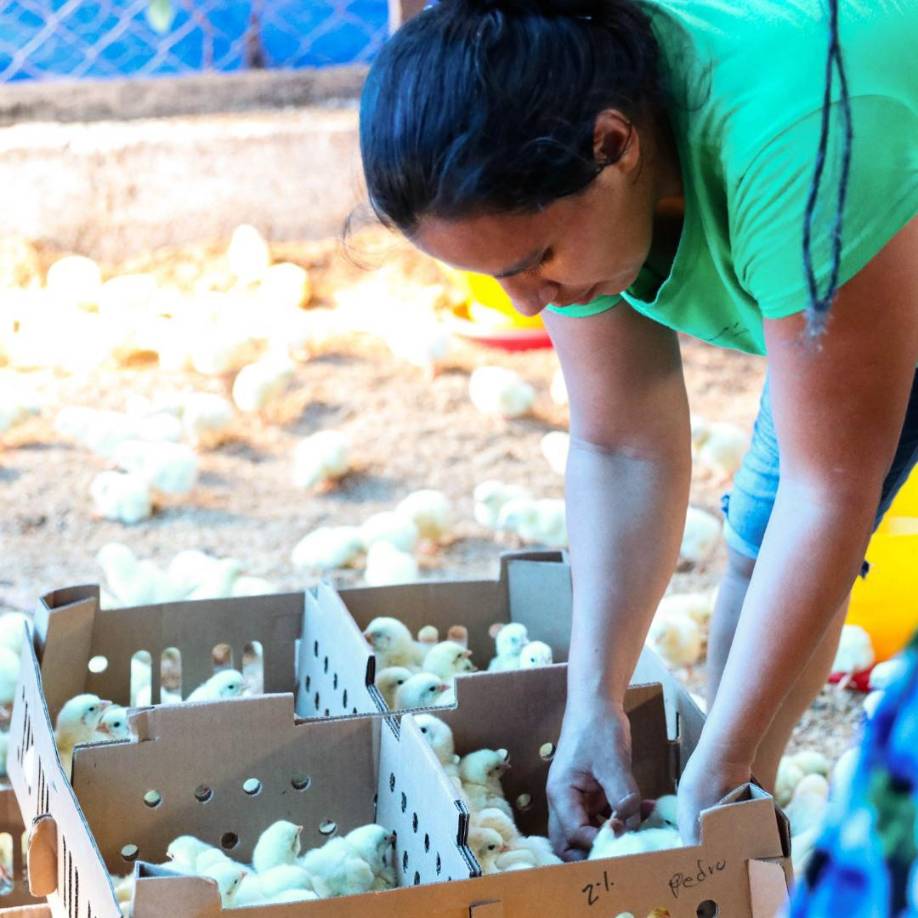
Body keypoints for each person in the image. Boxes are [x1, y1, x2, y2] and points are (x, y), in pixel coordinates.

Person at [358, 0, 918, 859]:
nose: (525, 304)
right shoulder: (566, 118)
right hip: (852, 215)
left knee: (796, 516)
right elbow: (622, 445)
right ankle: (736, 840)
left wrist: (721, 757)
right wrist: (594, 701)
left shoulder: (795, 132)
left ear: (615, 146)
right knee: (761, 538)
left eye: (533, 261)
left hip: (866, 163)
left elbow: (827, 488)